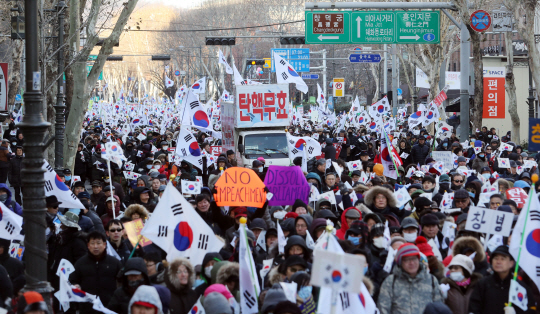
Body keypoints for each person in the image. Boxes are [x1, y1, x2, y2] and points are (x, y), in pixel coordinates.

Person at [378, 243, 443, 314]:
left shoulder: (431, 280)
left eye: (414, 258)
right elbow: (383, 309)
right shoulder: (391, 281)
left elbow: (439, 307)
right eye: (407, 260)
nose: (411, 263)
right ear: (400, 262)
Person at [469, 245, 536, 314]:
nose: (498, 262)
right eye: (496, 258)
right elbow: (474, 307)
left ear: (511, 263)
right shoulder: (483, 284)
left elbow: (531, 310)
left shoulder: (521, 287)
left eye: (502, 259)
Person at [69, 231, 123, 313]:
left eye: (98, 243)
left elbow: (122, 281)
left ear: (104, 245)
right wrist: (75, 286)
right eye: (92, 243)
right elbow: (72, 280)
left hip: (109, 307)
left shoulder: (114, 262)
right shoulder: (80, 263)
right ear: (88, 246)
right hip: (87, 307)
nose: (95, 246)